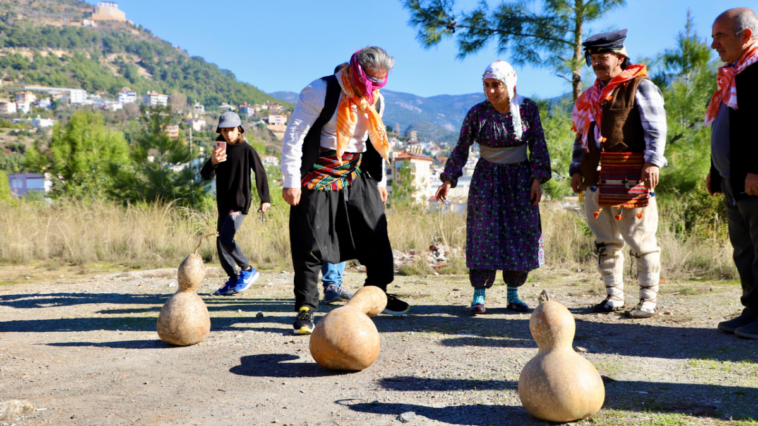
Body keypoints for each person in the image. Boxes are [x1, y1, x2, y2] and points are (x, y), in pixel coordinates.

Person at [281, 47, 410, 335]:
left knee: (375, 233)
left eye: (380, 81)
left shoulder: (376, 98)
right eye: (370, 80)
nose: (373, 87)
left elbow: (375, 142)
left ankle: (375, 296)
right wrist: (290, 179)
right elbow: (294, 135)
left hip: (356, 171)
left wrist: (380, 183)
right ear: (355, 70)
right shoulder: (319, 91)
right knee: (309, 239)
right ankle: (305, 307)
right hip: (318, 170)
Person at [435, 60, 551, 315]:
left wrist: (536, 180)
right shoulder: (477, 113)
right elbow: (462, 147)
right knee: (483, 233)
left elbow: (539, 145)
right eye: (486, 85)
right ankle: (479, 295)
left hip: (520, 180)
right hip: (486, 180)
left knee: (520, 234)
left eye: (496, 85)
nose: (490, 91)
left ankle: (513, 295)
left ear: (509, 84)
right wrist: (448, 179)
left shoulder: (528, 109)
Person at [569, 30, 667, 318]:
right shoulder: (589, 96)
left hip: (631, 175)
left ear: (621, 57)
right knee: (605, 240)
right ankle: (614, 295)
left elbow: (655, 128)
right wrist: (576, 168)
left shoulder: (641, 86)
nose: (597, 62)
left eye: (604, 56)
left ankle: (648, 299)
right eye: (594, 57)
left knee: (640, 239)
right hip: (595, 178)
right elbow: (582, 136)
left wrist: (652, 162)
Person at [706, 8, 758, 339]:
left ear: (746, 36)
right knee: (743, 248)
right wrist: (715, 170)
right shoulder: (731, 75)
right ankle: (753, 310)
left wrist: (756, 170)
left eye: (720, 37)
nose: (714, 46)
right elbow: (723, 126)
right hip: (731, 179)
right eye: (713, 38)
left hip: (752, 180)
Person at [200, 112, 271, 296]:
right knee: (220, 243)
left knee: (225, 238)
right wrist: (213, 162)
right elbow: (205, 175)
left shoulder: (247, 150)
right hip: (223, 203)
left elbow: (260, 173)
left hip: (239, 202)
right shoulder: (220, 151)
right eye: (224, 131)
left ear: (239, 129)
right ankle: (233, 279)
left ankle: (247, 270)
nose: (228, 134)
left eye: (231, 130)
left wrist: (265, 199)